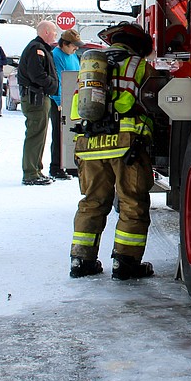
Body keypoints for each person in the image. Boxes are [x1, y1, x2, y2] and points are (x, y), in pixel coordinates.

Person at [68, 22, 158, 281]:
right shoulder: (139, 66)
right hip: (127, 147)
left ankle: (81, 260)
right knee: (132, 203)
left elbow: (77, 108)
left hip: (90, 147)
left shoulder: (92, 67)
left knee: (92, 203)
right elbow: (154, 103)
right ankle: (126, 263)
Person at [18, 20, 59, 185]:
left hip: (40, 97)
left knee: (40, 135)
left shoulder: (41, 49)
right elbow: (37, 75)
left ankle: (36, 169)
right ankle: (30, 172)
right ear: (46, 32)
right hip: (35, 98)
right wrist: (53, 85)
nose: (56, 34)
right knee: (35, 135)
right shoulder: (37, 49)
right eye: (54, 31)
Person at [49, 28, 83, 180]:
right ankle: (56, 166)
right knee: (59, 134)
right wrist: (59, 101)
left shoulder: (73, 56)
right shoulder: (56, 56)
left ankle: (70, 164)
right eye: (73, 45)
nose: (76, 48)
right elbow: (58, 79)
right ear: (64, 44)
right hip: (60, 101)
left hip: (73, 100)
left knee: (73, 133)